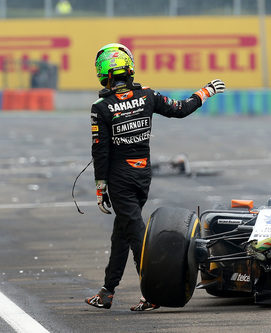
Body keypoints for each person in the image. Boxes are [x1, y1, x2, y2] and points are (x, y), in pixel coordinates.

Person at [84, 43, 225, 311]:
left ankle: (152, 293)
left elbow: (99, 150)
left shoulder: (101, 107)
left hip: (119, 178)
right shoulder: (147, 95)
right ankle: (107, 291)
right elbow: (181, 108)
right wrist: (205, 91)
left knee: (136, 234)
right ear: (129, 69)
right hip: (142, 175)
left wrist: (100, 186)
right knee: (122, 233)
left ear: (104, 74)